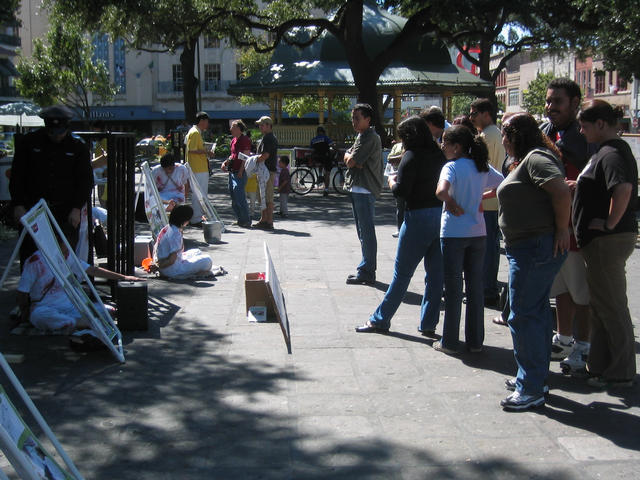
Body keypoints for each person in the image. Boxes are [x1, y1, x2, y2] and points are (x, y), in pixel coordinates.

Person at [497, 113, 571, 411]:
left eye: (504, 134)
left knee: (523, 315)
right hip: (528, 246)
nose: (502, 140)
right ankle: (534, 378)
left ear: (514, 135)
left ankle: (530, 388)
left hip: (534, 247)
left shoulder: (536, 158)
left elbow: (561, 191)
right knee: (535, 313)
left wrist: (563, 229)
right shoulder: (529, 159)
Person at [355, 116, 446, 334]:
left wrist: (391, 181)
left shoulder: (411, 156)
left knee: (402, 274)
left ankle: (380, 319)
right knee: (435, 276)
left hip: (417, 217)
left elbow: (401, 192)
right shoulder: (439, 154)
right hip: (440, 216)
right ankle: (428, 323)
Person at [573, 100, 638, 388]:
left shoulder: (611, 153)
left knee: (611, 306)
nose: (581, 131)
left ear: (600, 124)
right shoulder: (606, 151)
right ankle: (599, 365)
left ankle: (621, 372)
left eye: (584, 126)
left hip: (607, 241)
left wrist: (610, 223)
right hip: (601, 242)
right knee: (601, 305)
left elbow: (623, 189)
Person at [434, 125, 503, 354]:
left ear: (457, 146)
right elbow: (502, 183)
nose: (442, 146)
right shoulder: (481, 166)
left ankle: (450, 341)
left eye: (445, 142)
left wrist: (452, 204)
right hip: (478, 232)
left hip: (453, 233)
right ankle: (475, 342)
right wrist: (481, 196)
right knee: (475, 288)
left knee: (453, 288)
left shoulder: (451, 167)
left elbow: (441, 192)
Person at [540, 78, 592, 370]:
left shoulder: (586, 137)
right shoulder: (546, 132)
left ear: (574, 103)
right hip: (553, 228)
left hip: (577, 229)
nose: (551, 107)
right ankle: (564, 338)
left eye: (557, 101)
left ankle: (584, 345)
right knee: (561, 287)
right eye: (548, 101)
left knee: (581, 291)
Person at [9, 105, 94, 266]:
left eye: (60, 132)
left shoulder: (77, 146)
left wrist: (77, 208)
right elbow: (17, 176)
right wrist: (18, 204)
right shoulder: (29, 142)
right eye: (52, 132)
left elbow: (85, 181)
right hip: (33, 208)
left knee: (63, 259)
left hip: (65, 211)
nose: (56, 136)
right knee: (32, 257)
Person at [17, 243, 143, 333]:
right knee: (38, 316)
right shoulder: (35, 262)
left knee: (109, 311)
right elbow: (22, 291)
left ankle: (79, 322)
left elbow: (92, 270)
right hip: (47, 307)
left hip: (72, 306)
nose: (67, 253)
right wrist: (24, 312)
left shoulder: (67, 255)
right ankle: (81, 323)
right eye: (64, 250)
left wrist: (124, 277)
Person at [469, 98, 506, 307]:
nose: (471, 117)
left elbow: (481, 169)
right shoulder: (495, 133)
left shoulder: (486, 136)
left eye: (474, 113)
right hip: (492, 199)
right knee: (490, 247)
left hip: (487, 200)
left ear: (486, 114)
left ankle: (487, 290)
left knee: (487, 249)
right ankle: (488, 288)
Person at [343, 103, 383, 285]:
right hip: (357, 187)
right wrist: (351, 158)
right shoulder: (362, 136)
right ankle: (366, 268)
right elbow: (352, 159)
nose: (354, 121)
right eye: (353, 118)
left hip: (364, 189)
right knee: (363, 232)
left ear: (368, 119)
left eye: (357, 118)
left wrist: (351, 158)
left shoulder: (370, 137)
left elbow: (352, 161)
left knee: (366, 232)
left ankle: (367, 270)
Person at [154, 204, 214, 279]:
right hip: (172, 269)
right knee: (208, 260)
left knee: (197, 251)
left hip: (169, 264)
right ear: (184, 219)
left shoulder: (169, 227)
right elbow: (171, 260)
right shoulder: (175, 234)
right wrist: (158, 267)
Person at [221, 119, 252, 228]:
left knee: (240, 196)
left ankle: (246, 220)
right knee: (234, 196)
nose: (230, 129)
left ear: (239, 129)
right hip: (232, 171)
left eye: (233, 127)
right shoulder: (233, 140)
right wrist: (225, 162)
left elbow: (246, 157)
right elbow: (232, 155)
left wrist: (241, 171)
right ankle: (240, 218)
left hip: (239, 172)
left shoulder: (245, 140)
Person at [185, 111, 214, 226]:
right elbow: (192, 150)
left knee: (199, 193)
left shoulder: (193, 132)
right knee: (200, 193)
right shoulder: (195, 133)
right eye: (206, 121)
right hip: (198, 168)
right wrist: (206, 151)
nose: (207, 124)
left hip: (198, 167)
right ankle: (196, 218)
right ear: (202, 121)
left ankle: (197, 216)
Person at [253, 116, 278, 230]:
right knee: (262, 196)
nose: (260, 127)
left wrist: (253, 160)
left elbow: (265, 155)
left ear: (268, 125)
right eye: (260, 125)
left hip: (267, 171)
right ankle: (264, 219)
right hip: (264, 171)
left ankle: (269, 220)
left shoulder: (269, 138)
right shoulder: (267, 137)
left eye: (262, 125)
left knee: (267, 197)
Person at [387, 141, 405, 238]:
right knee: (400, 206)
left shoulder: (413, 145)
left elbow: (404, 157)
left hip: (406, 177)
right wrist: (401, 157)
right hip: (396, 177)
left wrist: (399, 158)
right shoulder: (397, 146)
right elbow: (389, 158)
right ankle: (399, 229)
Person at [310, 126, 335, 196]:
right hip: (326, 157)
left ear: (317, 132)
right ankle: (326, 190)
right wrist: (337, 150)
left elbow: (311, 149)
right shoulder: (325, 138)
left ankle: (320, 175)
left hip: (317, 158)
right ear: (323, 132)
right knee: (327, 174)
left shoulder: (313, 139)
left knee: (320, 163)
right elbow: (332, 145)